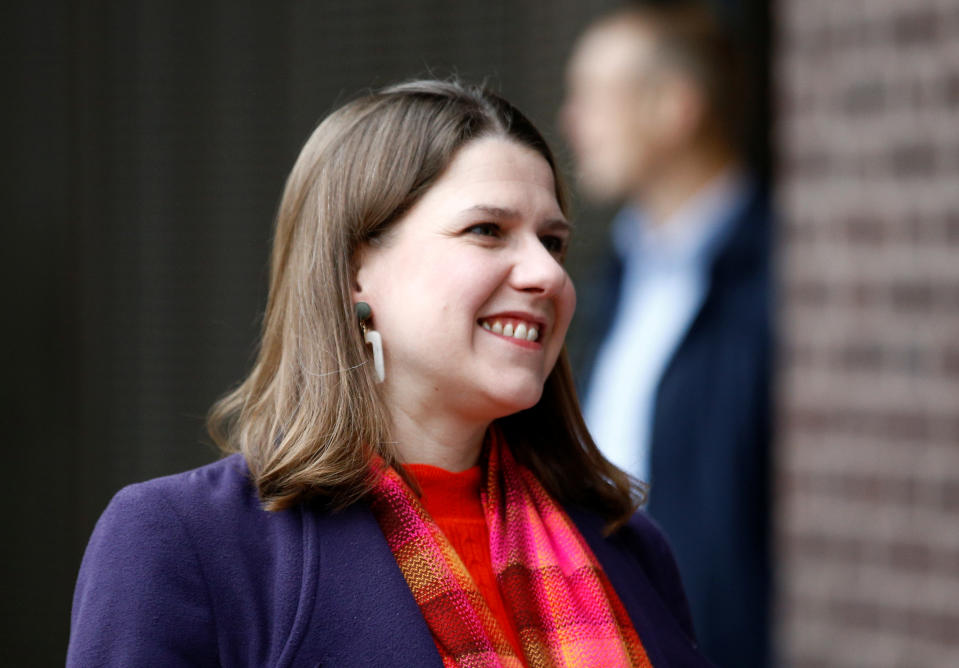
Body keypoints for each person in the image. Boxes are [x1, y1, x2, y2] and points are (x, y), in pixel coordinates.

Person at [67, 79, 714, 666]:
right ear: (353, 270)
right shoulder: (186, 544)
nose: (547, 274)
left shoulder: (627, 547)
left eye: (552, 242)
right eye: (487, 230)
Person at [561, 4, 773, 667]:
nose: (571, 122)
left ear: (675, 107)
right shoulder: (614, 275)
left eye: (595, 96)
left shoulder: (780, 278)